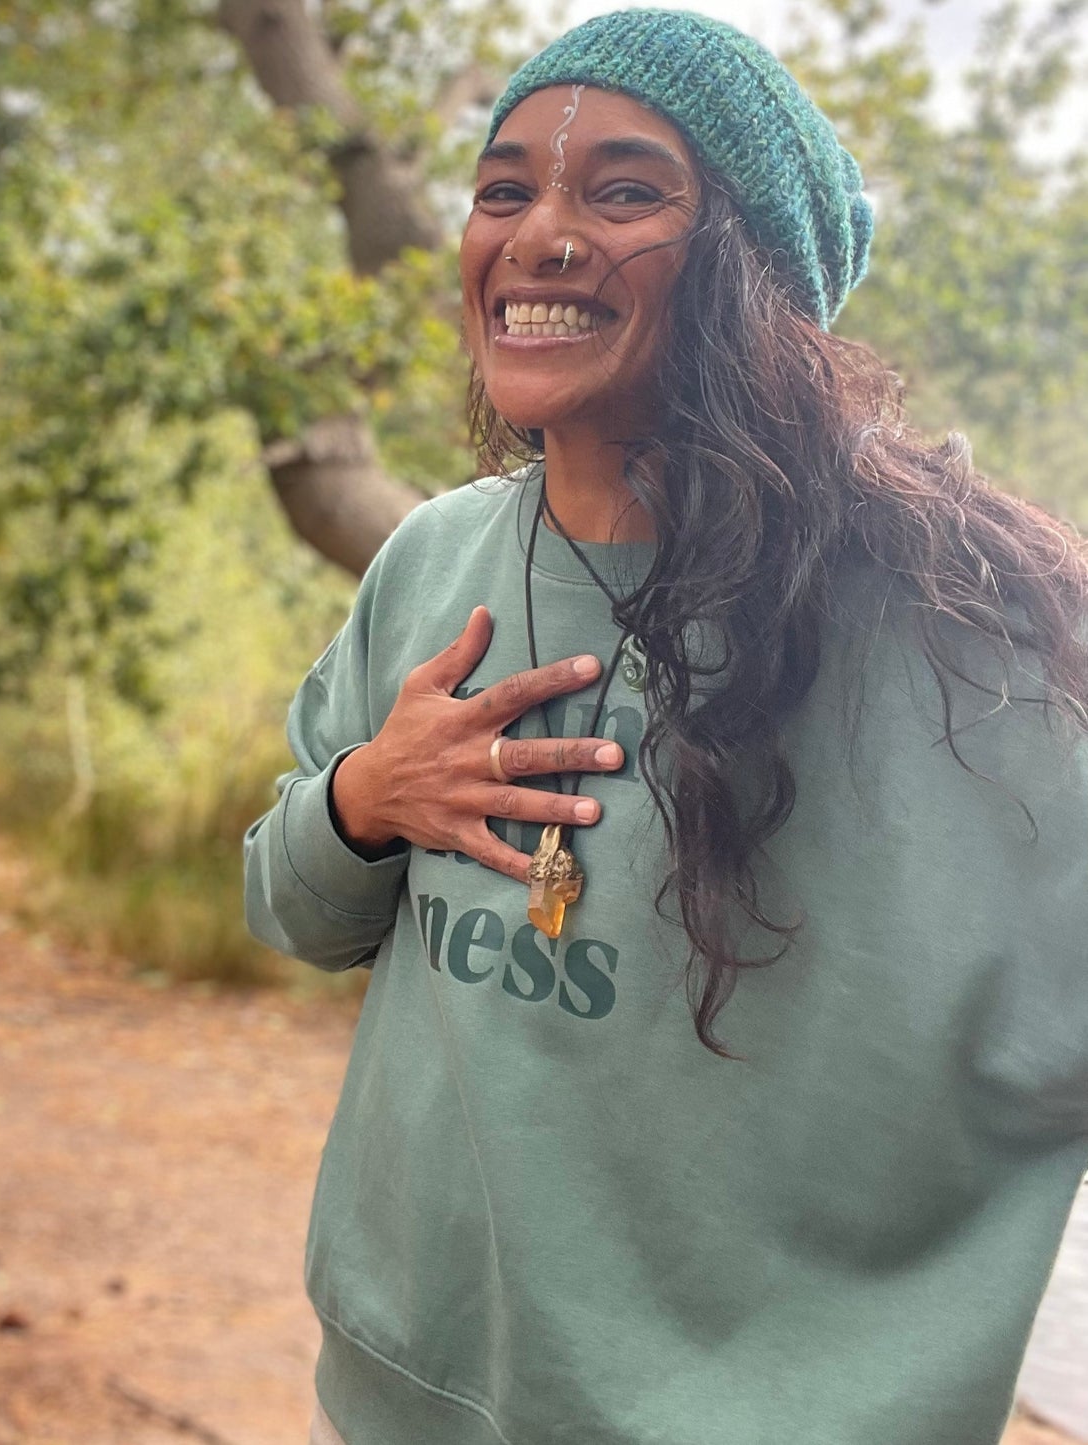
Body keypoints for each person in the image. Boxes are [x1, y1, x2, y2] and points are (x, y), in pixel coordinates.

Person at [243, 10, 1088, 1444]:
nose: (539, 235)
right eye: (503, 189)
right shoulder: (434, 565)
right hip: (395, 1399)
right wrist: (362, 798)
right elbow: (285, 904)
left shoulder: (974, 646)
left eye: (622, 191)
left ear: (753, 269)